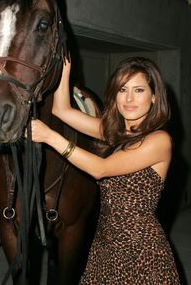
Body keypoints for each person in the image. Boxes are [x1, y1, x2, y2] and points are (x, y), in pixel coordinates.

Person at [29, 56, 180, 284]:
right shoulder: (116, 132)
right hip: (105, 241)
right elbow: (62, 111)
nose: (129, 98)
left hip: (139, 249)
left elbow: (100, 169)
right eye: (122, 89)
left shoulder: (159, 140)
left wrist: (50, 137)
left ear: (154, 97)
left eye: (138, 90)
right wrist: (63, 72)